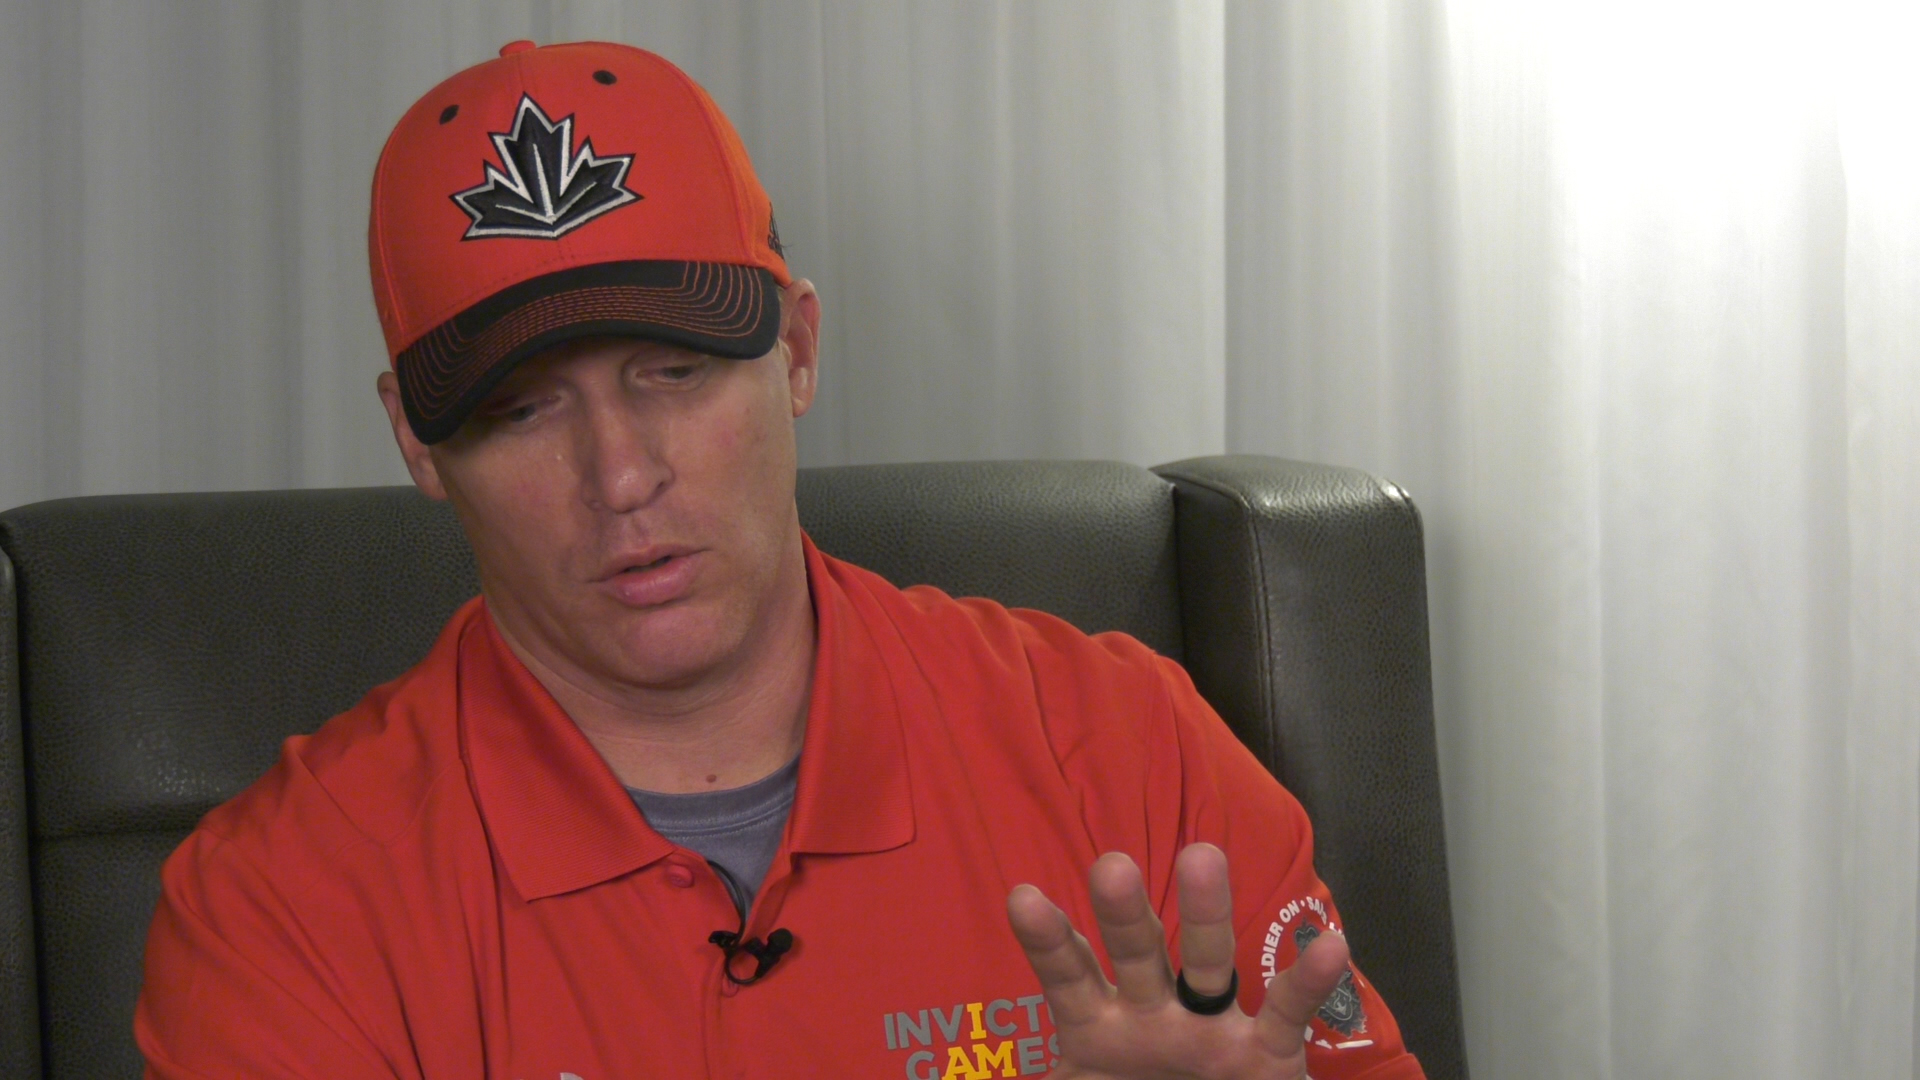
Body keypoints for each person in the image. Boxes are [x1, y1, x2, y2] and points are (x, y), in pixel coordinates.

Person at [134, 40, 1427, 1080]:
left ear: (797, 352)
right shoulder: (281, 907)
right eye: (521, 410)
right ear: (420, 446)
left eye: (675, 372)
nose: (621, 476)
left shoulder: (1126, 746)